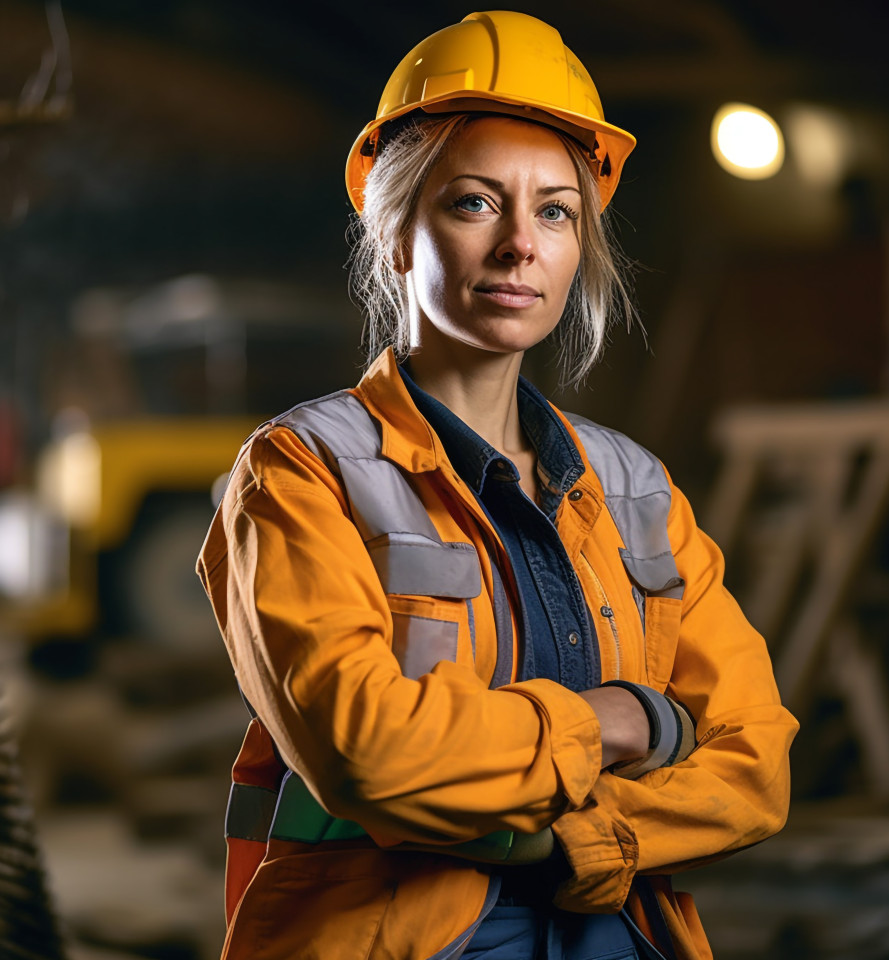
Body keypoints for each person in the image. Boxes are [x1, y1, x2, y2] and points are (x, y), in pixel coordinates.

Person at [197, 11, 798, 960]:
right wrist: (629, 719)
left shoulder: (634, 487)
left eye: (555, 210)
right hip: (398, 939)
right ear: (396, 234)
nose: (522, 243)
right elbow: (368, 751)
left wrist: (584, 838)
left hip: (618, 927)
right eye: (475, 202)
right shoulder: (302, 472)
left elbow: (756, 762)